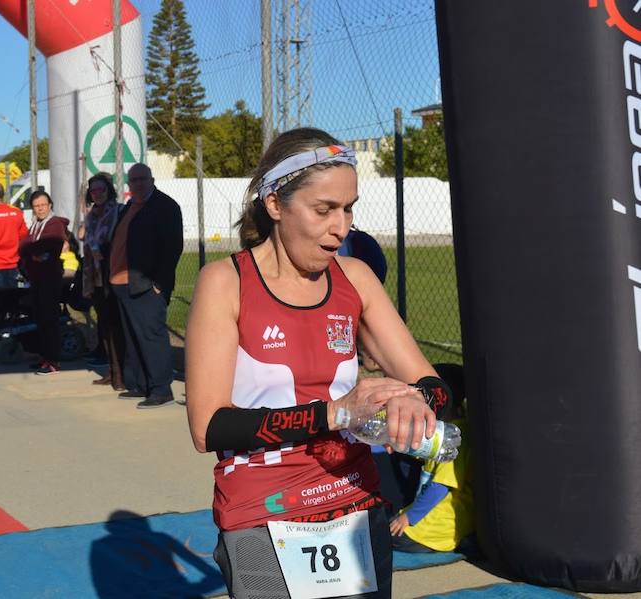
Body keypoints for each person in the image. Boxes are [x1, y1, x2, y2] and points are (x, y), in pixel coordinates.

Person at [185, 128, 445, 599]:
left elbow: (434, 385)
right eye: (324, 210)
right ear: (275, 204)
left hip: (353, 498)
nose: (341, 228)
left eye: (349, 209)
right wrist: (336, 412)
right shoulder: (225, 282)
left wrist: (408, 398)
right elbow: (209, 428)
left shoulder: (356, 277)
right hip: (263, 508)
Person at [109, 163, 183, 408]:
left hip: (147, 286)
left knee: (151, 337)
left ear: (151, 179)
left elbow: (172, 248)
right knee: (133, 338)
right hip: (122, 284)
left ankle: (161, 389)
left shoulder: (165, 206)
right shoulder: (130, 206)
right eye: (134, 180)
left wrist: (159, 285)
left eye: (142, 179)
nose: (138, 183)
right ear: (129, 185)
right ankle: (142, 385)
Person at [390, 363, 474, 555]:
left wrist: (409, 518)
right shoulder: (446, 428)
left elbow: (440, 487)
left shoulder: (455, 436)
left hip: (438, 525)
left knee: (386, 535)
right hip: (430, 515)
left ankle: (460, 540)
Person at [81, 173, 125, 391]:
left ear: (109, 191)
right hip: (95, 278)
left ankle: (122, 374)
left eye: (101, 190)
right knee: (104, 327)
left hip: (113, 275)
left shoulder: (117, 212)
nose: (97, 194)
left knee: (116, 327)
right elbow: (88, 249)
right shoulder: (90, 217)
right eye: (93, 191)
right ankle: (111, 370)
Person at [19, 190, 69, 375]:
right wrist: (30, 251)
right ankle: (44, 357)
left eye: (43, 205)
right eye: (36, 206)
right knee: (40, 318)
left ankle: (53, 360)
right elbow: (24, 245)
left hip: (49, 279)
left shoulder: (54, 224)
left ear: (50, 205)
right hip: (37, 278)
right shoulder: (35, 225)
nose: (40, 209)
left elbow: (47, 248)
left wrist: (30, 250)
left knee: (49, 320)